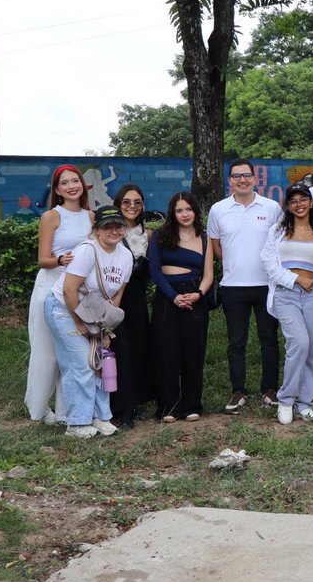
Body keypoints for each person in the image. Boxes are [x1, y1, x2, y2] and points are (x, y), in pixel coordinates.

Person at [45, 205, 133, 438]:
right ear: (96, 230)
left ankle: (100, 416)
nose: (113, 231)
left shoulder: (126, 256)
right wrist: (80, 325)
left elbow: (115, 297)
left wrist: (105, 331)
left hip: (95, 312)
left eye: (118, 226)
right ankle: (77, 422)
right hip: (64, 308)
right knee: (81, 363)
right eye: (107, 227)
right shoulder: (87, 250)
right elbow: (69, 290)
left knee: (99, 362)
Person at [208, 159, 282, 413]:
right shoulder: (218, 209)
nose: (242, 180)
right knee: (236, 342)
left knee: (269, 340)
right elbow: (217, 247)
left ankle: (270, 390)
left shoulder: (271, 207)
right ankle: (238, 391)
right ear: (229, 180)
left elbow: (279, 242)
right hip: (233, 286)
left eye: (247, 175)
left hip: (267, 285)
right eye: (236, 176)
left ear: (254, 178)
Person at [262, 183, 313, 425]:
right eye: (294, 200)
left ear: (311, 202)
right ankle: (286, 399)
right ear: (288, 205)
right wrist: (296, 278)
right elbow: (269, 264)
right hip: (286, 294)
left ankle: (305, 403)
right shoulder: (277, 230)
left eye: (303, 199)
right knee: (299, 342)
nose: (299, 204)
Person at [26, 165, 92, 426]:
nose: (71, 186)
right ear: (57, 189)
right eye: (65, 183)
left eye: (75, 181)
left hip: (77, 290)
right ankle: (39, 409)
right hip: (50, 286)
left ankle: (67, 411)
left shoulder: (91, 216)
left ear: (83, 185)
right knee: (47, 352)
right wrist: (61, 260)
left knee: (73, 351)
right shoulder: (52, 216)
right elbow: (42, 260)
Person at [149, 192, 214, 423]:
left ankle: (192, 405)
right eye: (179, 210)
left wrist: (198, 294)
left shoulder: (204, 238)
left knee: (193, 353)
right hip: (167, 296)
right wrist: (174, 296)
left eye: (188, 209)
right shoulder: (160, 235)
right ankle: (168, 406)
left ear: (195, 211)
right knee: (167, 353)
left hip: (195, 297)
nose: (184, 214)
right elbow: (155, 271)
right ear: (172, 213)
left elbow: (208, 275)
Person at [110, 184, 155, 426]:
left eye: (137, 202)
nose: (132, 206)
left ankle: (134, 401)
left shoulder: (146, 234)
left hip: (137, 300)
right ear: (118, 204)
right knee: (119, 351)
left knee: (137, 351)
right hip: (114, 299)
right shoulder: (109, 232)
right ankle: (120, 407)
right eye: (127, 202)